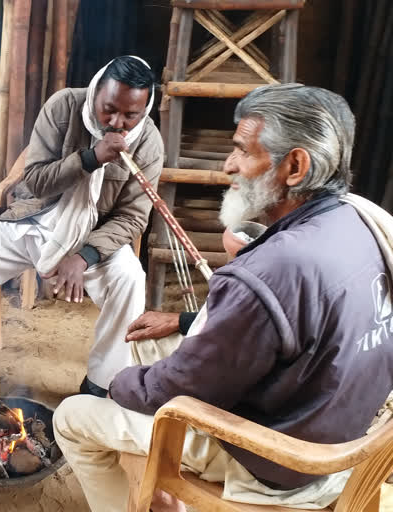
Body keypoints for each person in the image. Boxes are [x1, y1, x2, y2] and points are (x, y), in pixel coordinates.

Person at [52, 83, 393, 512]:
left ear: (295, 166)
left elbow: (180, 386)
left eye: (244, 151)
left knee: (73, 416)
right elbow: (293, 325)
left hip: (278, 460)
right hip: (336, 428)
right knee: (148, 345)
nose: (229, 164)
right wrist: (180, 323)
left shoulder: (273, 268)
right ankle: (165, 486)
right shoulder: (361, 223)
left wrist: (115, 387)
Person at [0, 56, 164, 402]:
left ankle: (100, 381)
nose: (117, 123)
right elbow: (35, 182)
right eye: (109, 109)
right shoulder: (64, 106)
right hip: (33, 219)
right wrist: (90, 157)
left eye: (131, 115)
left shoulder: (149, 143)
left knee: (130, 279)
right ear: (96, 92)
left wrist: (84, 256)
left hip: (91, 236)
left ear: (145, 109)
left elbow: (132, 217)